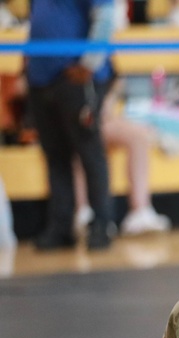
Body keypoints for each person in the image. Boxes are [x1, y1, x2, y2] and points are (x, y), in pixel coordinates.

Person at [25, 0, 116, 250]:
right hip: (41, 77)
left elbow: (106, 16)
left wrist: (90, 64)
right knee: (55, 155)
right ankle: (60, 227)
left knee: (90, 153)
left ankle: (102, 224)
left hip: (75, 78)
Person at [73, 79, 172, 238]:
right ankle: (84, 212)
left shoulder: (107, 71)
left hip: (98, 118)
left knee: (139, 136)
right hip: (73, 118)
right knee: (82, 142)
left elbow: (109, 100)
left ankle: (140, 211)